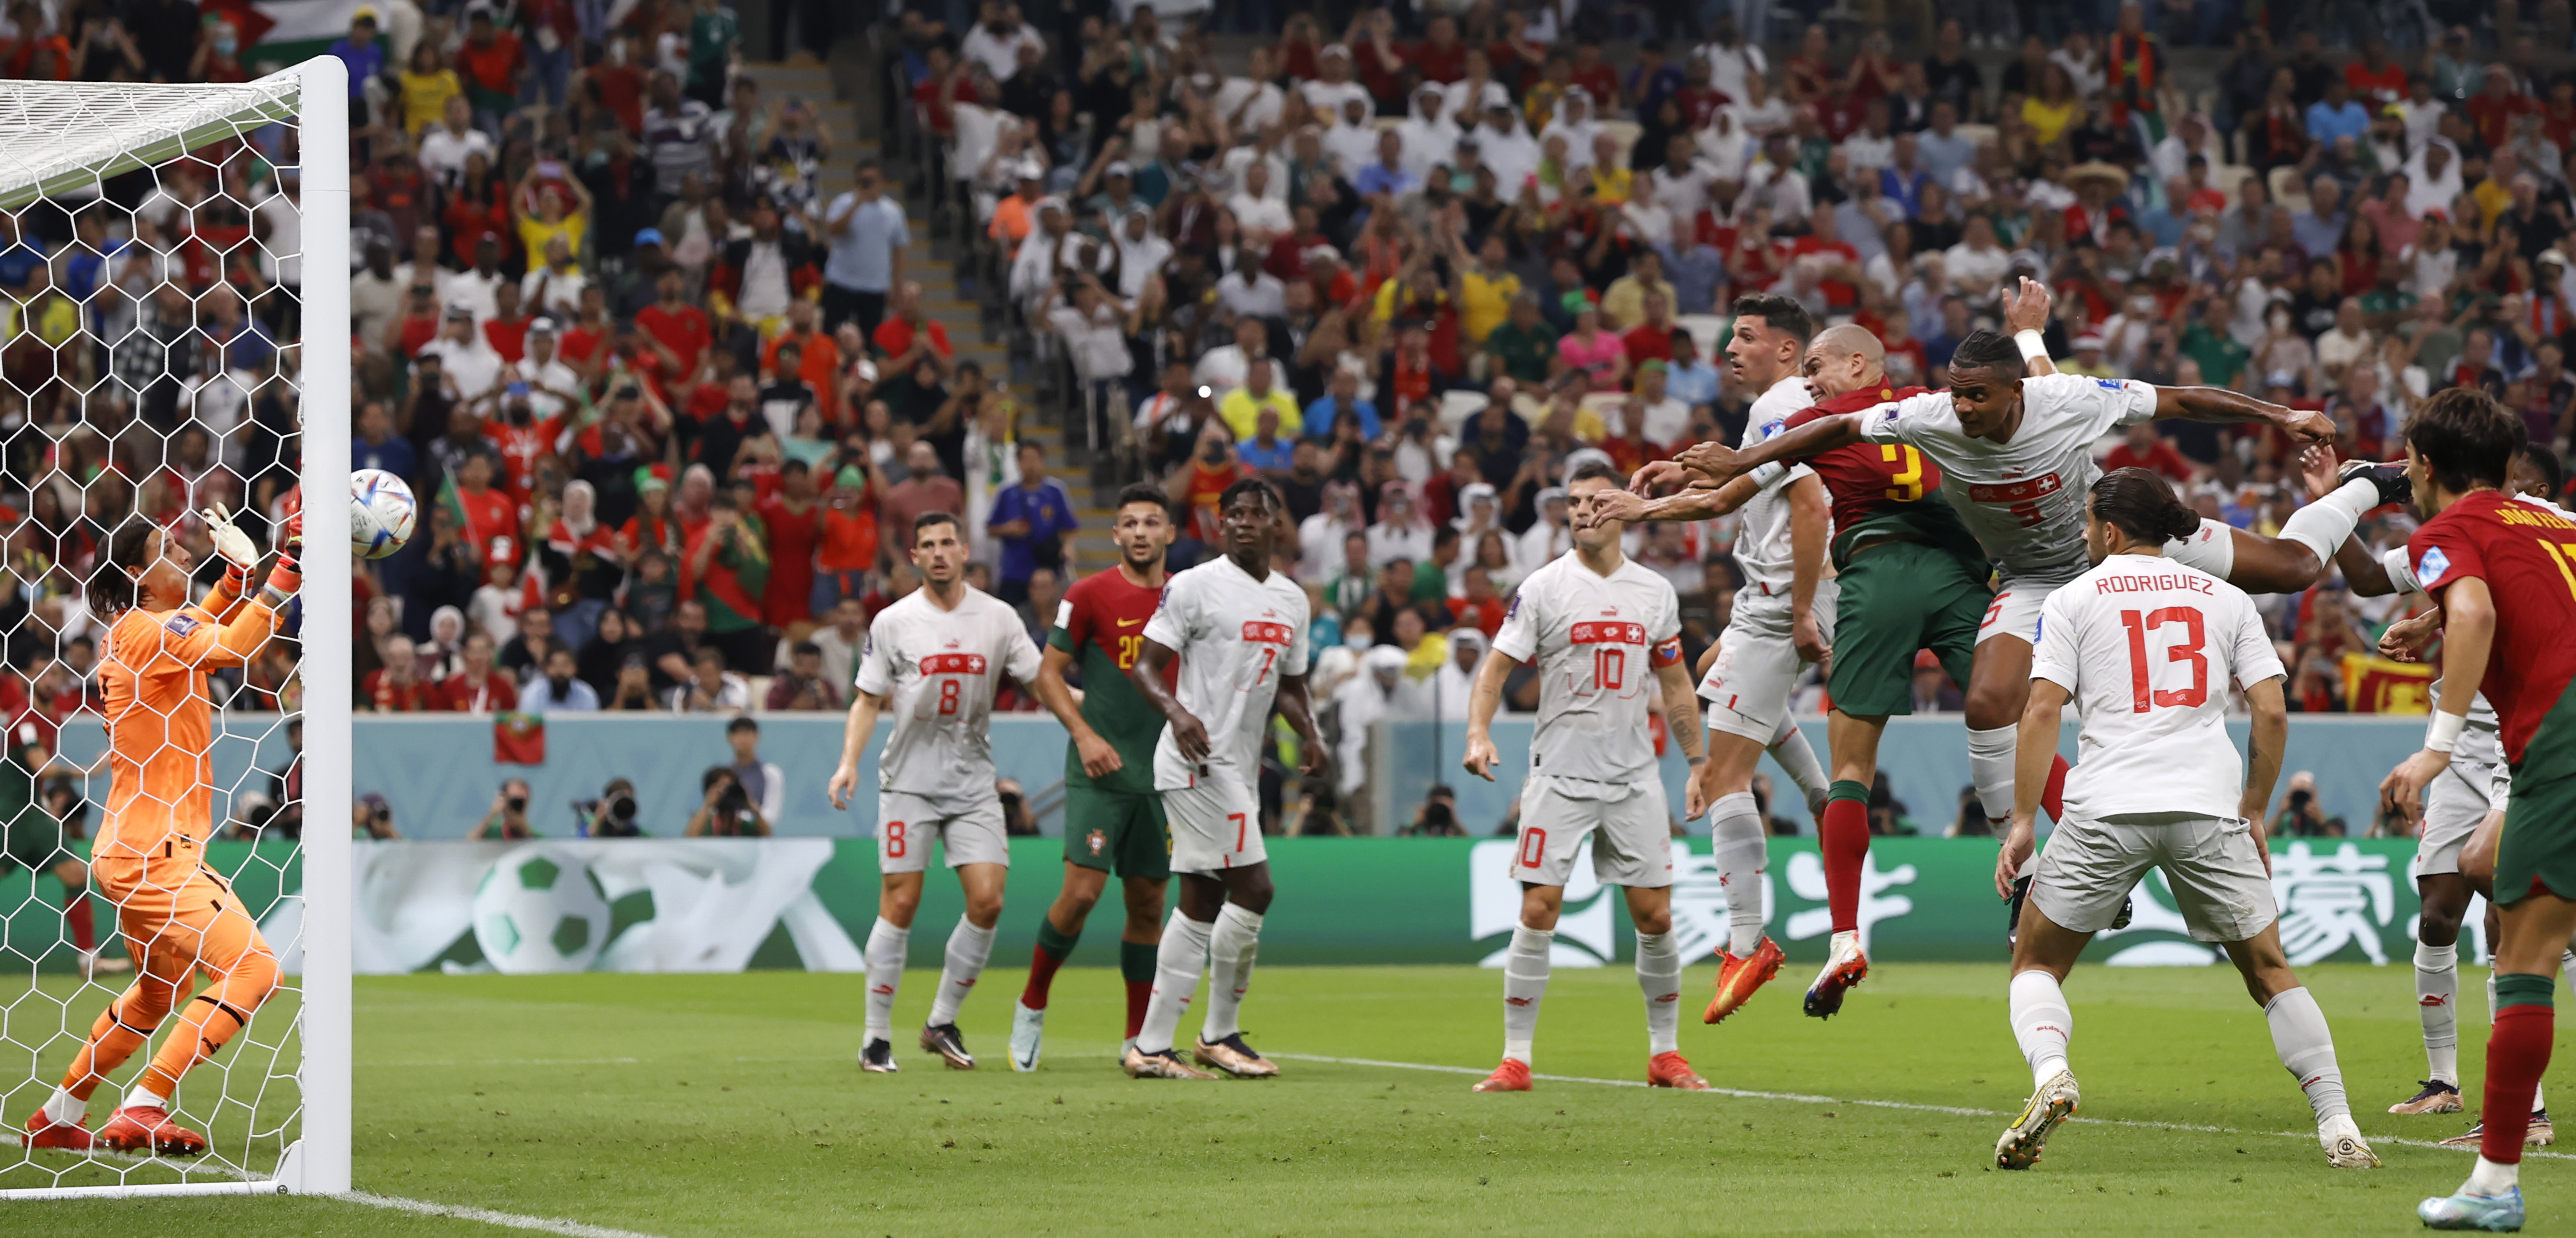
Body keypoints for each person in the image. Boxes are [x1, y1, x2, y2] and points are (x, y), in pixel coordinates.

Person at [1667, 280, 2345, 861]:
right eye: (1956, 395)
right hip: (2031, 575)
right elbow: (1835, 429)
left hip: (2128, 538)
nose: (1962, 409)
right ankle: (2020, 863)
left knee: (2293, 568)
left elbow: (2184, 400)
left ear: (2013, 391)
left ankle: (2362, 487)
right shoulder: (1931, 414)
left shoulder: (2068, 399)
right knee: (1989, 702)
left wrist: (2280, 415)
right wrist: (1745, 460)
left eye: (1976, 398)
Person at [1592, 321, 2003, 1021]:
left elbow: (1804, 502)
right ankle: (1827, 820)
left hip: (1790, 600)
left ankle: (1747, 942)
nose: (1728, 350)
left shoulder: (1794, 407)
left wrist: (1803, 606)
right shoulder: (1869, 405)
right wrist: (1683, 471)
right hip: (1802, 595)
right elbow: (1743, 480)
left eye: (1746, 336)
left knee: (1725, 771)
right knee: (1720, 676)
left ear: (1789, 350)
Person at [1992, 468, 2374, 1174]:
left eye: (2085, 524)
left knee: (2037, 961)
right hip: (2206, 801)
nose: (2083, 535)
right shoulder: (2226, 599)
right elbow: (2270, 711)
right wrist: (2255, 807)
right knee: (2267, 970)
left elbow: (2040, 709)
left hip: (2106, 803)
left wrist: (2022, 819)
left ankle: (2052, 1073)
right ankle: (2339, 1126)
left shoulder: (2073, 598)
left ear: (2108, 529)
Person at [24, 511, 301, 1156]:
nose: (184, 551)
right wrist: (285, 572)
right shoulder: (146, 630)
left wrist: (239, 576)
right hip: (156, 856)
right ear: (136, 574)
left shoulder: (141, 632)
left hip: (132, 847)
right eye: (168, 548)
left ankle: (61, 1112)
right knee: (255, 969)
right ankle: (145, 1105)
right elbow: (231, 648)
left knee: (159, 993)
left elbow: (206, 627)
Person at [2386, 393, 2576, 1230]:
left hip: (2563, 735)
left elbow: (2477, 609)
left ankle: (2495, 1181)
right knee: (2488, 873)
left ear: (2424, 464)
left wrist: (2436, 745)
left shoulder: (2445, 530)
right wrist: (2436, 617)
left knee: (2522, 954)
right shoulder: (2558, 522)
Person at [1459, 461, 1709, 1094]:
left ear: (1623, 508)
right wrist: (1478, 733)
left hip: (1632, 779)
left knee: (1654, 916)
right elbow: (1494, 670)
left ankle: (1665, 1054)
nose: (1581, 512)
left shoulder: (1653, 593)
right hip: (1560, 777)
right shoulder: (1544, 588)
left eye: (1595, 501)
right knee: (1539, 906)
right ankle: (1516, 1058)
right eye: (1573, 502)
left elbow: (1676, 683)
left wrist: (1699, 762)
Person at [2336, 443, 2566, 1130]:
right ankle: (2444, 1081)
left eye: (2516, 485)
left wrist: (2340, 496)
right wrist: (2429, 617)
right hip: (2464, 733)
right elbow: (2383, 580)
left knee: (2505, 904)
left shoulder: (2550, 526)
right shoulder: (2465, 536)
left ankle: (2527, 1111)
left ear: (2540, 490)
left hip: (2529, 730)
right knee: (2440, 906)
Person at [1123, 480, 1328, 1080]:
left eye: (1254, 514)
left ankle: (1151, 1047)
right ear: (1219, 526)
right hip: (1195, 760)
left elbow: (1290, 684)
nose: (1242, 523)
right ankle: (1219, 1035)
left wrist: (1310, 731)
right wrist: (1178, 713)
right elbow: (1144, 665)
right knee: (1257, 888)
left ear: (1276, 525)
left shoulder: (1292, 600)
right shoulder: (1192, 586)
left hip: (1237, 761)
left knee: (1201, 901)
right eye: (1232, 514)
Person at [827, 512, 1045, 1072]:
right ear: (916, 557)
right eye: (927, 544)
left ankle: (940, 1021)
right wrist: (848, 762)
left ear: (965, 549)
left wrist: (1093, 704)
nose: (940, 552)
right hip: (910, 782)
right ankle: (876, 1038)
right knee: (901, 901)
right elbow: (866, 699)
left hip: (973, 780)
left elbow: (1040, 678)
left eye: (948, 541)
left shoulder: (997, 617)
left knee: (989, 899)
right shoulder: (893, 621)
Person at [1012, 485, 1176, 1071]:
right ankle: (1032, 1003)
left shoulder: (1187, 598)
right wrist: (1084, 734)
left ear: (1168, 534)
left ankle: (1137, 1039)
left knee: (1148, 903)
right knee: (1081, 894)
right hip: (1098, 770)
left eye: (1150, 522)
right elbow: (1047, 675)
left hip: (1163, 778)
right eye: (1128, 523)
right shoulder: (1088, 595)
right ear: (1115, 536)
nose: (1138, 532)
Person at [987, 441, 1079, 605]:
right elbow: (991, 528)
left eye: (1035, 459)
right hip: (1014, 570)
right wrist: (1008, 530)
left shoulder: (1055, 491)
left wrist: (1068, 547)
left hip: (1047, 569)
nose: (1031, 465)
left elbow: (1069, 526)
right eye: (1026, 460)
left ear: (1042, 461)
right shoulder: (1007, 493)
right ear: (1018, 463)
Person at [824, 160, 906, 339]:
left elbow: (898, 249)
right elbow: (834, 231)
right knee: (833, 334)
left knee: (872, 337)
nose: (870, 185)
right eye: (865, 180)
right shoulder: (843, 203)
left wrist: (897, 285)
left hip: (875, 286)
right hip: (842, 282)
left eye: (873, 180)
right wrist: (857, 203)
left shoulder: (893, 211)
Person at [724, 715, 784, 825]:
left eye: (747, 733)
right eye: (738, 734)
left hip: (759, 836)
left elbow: (772, 815)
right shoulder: (724, 776)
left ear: (757, 737)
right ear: (730, 738)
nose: (743, 739)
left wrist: (751, 810)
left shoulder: (771, 774)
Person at [472, 777, 538, 840]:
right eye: (514, 801)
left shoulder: (536, 837)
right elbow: (470, 843)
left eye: (521, 802)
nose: (517, 807)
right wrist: (493, 813)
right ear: (504, 802)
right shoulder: (493, 832)